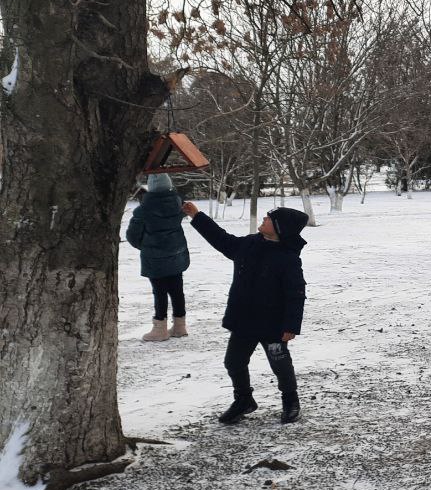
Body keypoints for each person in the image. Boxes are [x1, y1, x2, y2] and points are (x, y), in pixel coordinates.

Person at [182, 201, 310, 424]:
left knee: (280, 365)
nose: (264, 219)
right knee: (233, 362)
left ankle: (291, 401)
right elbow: (221, 239)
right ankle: (243, 400)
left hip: (273, 326)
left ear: (280, 228)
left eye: (269, 218)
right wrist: (197, 216)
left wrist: (291, 326)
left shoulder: (288, 258)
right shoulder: (249, 244)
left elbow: (296, 293)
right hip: (244, 322)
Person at [126, 174, 191, 342]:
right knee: (177, 290)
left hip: (155, 259)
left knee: (159, 291)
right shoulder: (178, 204)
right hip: (177, 254)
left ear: (151, 187)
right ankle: (180, 325)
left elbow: (132, 235)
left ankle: (159, 328)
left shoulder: (144, 210)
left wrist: (146, 246)